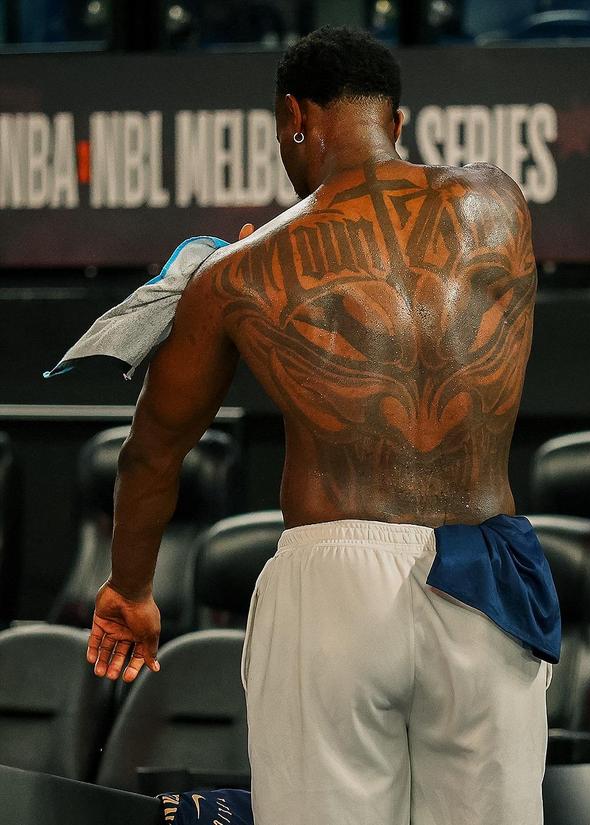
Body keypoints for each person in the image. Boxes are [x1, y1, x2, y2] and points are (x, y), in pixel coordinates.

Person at [87, 26, 559, 825]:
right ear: (396, 123)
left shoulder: (236, 275)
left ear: (293, 118)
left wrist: (130, 589)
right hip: (484, 578)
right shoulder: (498, 203)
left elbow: (151, 453)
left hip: (334, 587)